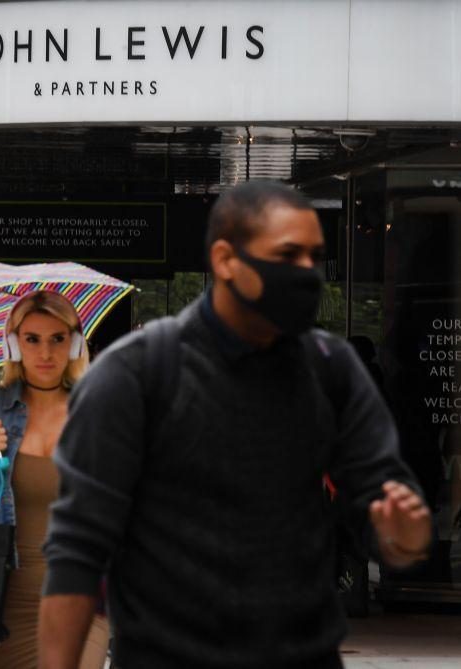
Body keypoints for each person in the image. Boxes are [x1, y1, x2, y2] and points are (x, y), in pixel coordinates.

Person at [38, 181, 433, 669]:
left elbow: (379, 507)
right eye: (287, 255)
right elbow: (78, 553)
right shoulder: (136, 375)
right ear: (226, 260)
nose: (307, 272)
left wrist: (403, 533)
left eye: (314, 256)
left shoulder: (332, 369)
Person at [0, 291, 109, 668]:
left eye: (57, 339)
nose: (45, 353)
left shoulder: (99, 408)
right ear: (13, 345)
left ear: (75, 342)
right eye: (32, 339)